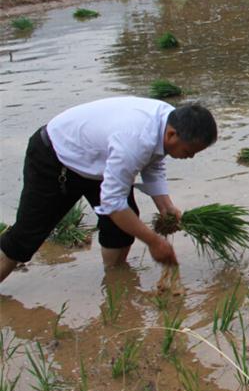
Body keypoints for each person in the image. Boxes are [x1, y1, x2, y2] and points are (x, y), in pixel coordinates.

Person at [0, 98, 217, 284]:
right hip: (56, 158)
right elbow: (113, 204)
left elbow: (154, 161)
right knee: (25, 237)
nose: (190, 157)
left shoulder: (168, 120)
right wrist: (154, 241)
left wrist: (165, 206)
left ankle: (115, 284)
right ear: (171, 135)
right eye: (189, 151)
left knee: (120, 230)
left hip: (98, 162)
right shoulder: (134, 140)